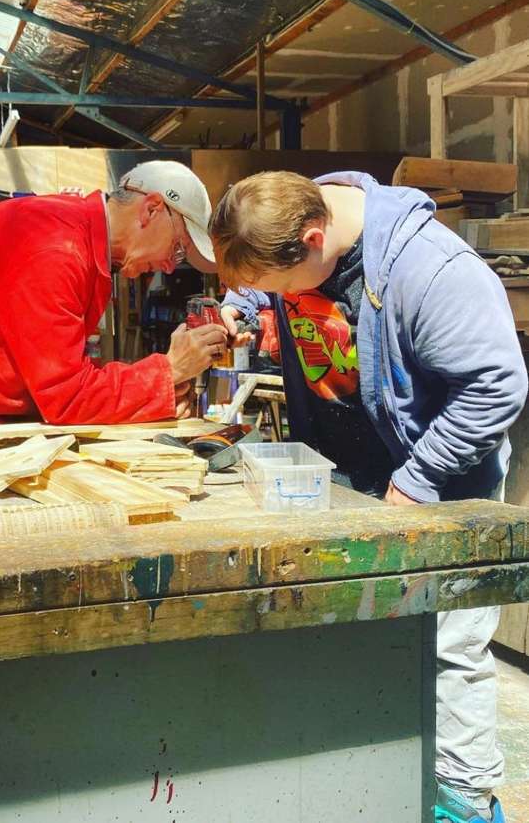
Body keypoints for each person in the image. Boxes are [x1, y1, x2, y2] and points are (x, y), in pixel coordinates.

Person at [210, 170, 527, 823]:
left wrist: (417, 479)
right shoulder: (290, 224)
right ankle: (371, 777)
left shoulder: (432, 272)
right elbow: (255, 273)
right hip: (349, 474)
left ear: (316, 241)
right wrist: (244, 306)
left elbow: (497, 383)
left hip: (439, 487)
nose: (273, 298)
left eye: (277, 288)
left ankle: (462, 806)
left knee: (444, 648)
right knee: (353, 633)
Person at [0, 161, 227, 432]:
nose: (169, 266)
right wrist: (166, 372)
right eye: (178, 248)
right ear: (151, 209)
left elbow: (63, 375)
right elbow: (66, 396)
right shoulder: (54, 248)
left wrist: (156, 390)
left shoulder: (84, 246)